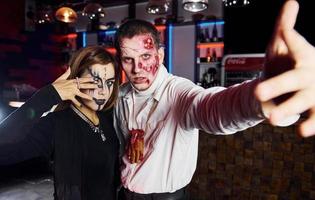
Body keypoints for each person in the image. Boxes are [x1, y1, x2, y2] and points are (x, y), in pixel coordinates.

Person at [113, 0, 315, 199]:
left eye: (146, 57)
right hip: (124, 193)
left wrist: (267, 96)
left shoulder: (177, 92)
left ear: (161, 55)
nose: (137, 68)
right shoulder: (121, 94)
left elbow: (213, 107)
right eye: (128, 59)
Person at [0, 46, 124, 200]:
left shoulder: (110, 118)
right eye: (95, 81)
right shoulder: (56, 124)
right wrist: (48, 95)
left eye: (110, 83)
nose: (104, 91)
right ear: (75, 80)